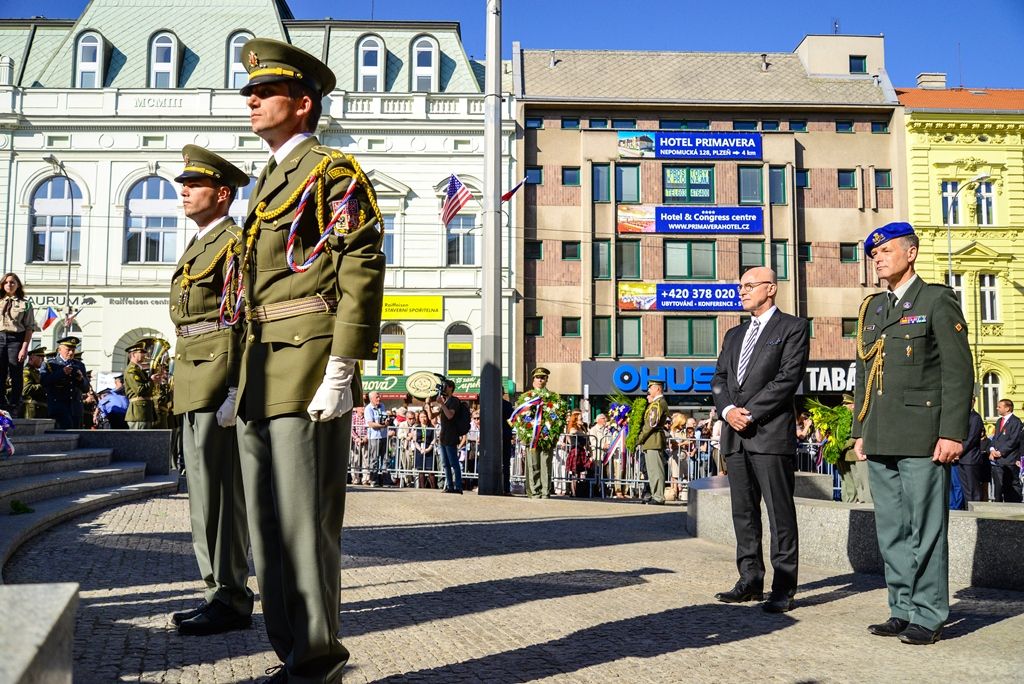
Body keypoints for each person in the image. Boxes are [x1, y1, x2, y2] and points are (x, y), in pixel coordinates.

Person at [234, 37, 385, 682]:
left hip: (306, 364)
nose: (251, 100)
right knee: (267, 534)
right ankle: (291, 653)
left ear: (302, 104)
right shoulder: (266, 180)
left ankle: (318, 658)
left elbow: (361, 266)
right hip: (259, 369)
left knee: (305, 523)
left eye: (263, 92)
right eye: (250, 91)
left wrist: (343, 367)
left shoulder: (332, 171)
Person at [853, 222, 973, 646]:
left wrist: (952, 433)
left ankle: (929, 612)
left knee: (926, 528)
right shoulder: (873, 309)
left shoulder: (936, 300)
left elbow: (959, 373)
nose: (878, 258)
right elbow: (864, 373)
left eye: (886, 250)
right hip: (881, 435)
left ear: (911, 253)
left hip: (924, 437)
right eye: (874, 253)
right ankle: (901, 608)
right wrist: (859, 430)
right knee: (891, 529)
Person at [167, 145, 254, 637]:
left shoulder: (231, 243)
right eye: (184, 184)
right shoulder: (202, 242)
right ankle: (217, 591)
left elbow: (242, 319)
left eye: (194, 185)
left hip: (217, 378)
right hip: (195, 378)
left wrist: (236, 389)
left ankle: (230, 596)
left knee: (220, 496)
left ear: (222, 194)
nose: (184, 191)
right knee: (203, 497)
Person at [712, 266, 809, 614]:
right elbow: (719, 379)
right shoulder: (734, 335)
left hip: (768, 435)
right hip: (734, 437)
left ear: (771, 289)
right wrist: (727, 413)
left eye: (749, 285)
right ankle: (749, 580)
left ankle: (783, 587)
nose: (742, 291)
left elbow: (786, 380)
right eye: (740, 286)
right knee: (743, 513)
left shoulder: (793, 328)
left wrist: (747, 413)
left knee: (780, 514)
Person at [512, 367, 567, 499]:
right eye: (538, 377)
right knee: (533, 464)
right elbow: (520, 418)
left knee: (546, 464)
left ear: (547, 380)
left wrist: (552, 433)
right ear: (533, 380)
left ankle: (545, 491)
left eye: (543, 377)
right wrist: (526, 432)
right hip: (531, 437)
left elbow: (560, 416)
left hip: (547, 436)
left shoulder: (554, 398)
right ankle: (534, 491)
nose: (540, 379)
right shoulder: (526, 397)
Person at [0, 273, 39, 416]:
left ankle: (15, 403)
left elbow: (29, 328)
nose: (9, 285)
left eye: (12, 282)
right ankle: (1, 403)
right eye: (6, 282)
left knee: (16, 372)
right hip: (0, 338)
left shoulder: (26, 304)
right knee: (0, 372)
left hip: (16, 339)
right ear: (2, 285)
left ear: (18, 285)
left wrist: (24, 348)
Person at [424, 378, 463, 494]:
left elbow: (450, 415)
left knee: (454, 463)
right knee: (445, 464)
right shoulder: (445, 402)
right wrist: (428, 405)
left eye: (445, 386)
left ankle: (458, 486)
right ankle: (449, 486)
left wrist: (441, 404)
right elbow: (431, 417)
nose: (443, 389)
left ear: (450, 388)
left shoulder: (454, 401)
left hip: (451, 436)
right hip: (443, 437)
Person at [41, 336, 89, 429]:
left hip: (75, 408)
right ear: (59, 350)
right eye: (68, 349)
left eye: (73, 350)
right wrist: (61, 372)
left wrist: (81, 380)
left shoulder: (79, 365)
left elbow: (86, 388)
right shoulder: (50, 364)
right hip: (58, 407)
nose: (71, 353)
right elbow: (44, 381)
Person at [835, 394, 871, 504]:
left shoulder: (858, 418)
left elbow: (855, 436)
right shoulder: (844, 418)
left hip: (858, 454)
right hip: (847, 455)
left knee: (863, 481)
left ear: (853, 405)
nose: (845, 406)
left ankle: (867, 503)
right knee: (851, 481)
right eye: (844, 404)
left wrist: (842, 445)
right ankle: (851, 502)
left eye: (847, 404)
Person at [638, 380, 669, 504]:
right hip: (651, 440)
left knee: (656, 470)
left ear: (657, 389)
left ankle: (658, 496)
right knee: (651, 471)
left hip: (653, 439)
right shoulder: (656, 403)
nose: (649, 390)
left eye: (650, 388)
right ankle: (655, 494)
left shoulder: (658, 403)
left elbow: (651, 424)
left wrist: (640, 438)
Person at [988, 398, 1022, 503]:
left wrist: (1001, 452)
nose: (997, 408)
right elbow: (995, 437)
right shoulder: (999, 421)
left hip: (1010, 460)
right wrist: (992, 449)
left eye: (999, 406)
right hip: (998, 461)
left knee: (1011, 486)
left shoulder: (1016, 422)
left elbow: (1014, 440)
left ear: (1007, 408)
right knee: (999, 487)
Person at [123, 342, 157, 429]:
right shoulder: (131, 370)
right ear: (133, 354)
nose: (144, 355)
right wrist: (152, 381)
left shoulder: (138, 369)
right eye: (141, 353)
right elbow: (139, 390)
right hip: (139, 412)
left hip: (144, 411)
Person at [958, 400, 986, 503]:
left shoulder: (975, 417)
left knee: (973, 489)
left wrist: (958, 452)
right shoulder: (964, 416)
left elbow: (971, 439)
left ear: (973, 402)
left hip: (970, 458)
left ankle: (976, 513)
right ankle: (969, 512)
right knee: (966, 489)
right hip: (962, 459)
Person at [363, 391, 387, 486]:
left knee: (385, 459)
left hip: (384, 436)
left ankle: (383, 480)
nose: (379, 398)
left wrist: (387, 421)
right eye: (377, 397)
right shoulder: (368, 409)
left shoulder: (382, 406)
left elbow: (384, 418)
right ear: (371, 398)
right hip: (374, 437)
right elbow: (370, 423)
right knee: (374, 459)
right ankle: (373, 480)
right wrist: (382, 425)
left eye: (379, 396)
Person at [412, 409, 438, 489]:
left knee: (431, 471)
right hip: (419, 450)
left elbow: (434, 439)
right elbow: (414, 440)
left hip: (429, 449)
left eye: (425, 417)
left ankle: (433, 488)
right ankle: (422, 488)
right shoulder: (416, 427)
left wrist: (428, 449)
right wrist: (420, 449)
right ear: (419, 418)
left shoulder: (431, 427)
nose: (423, 419)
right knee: (421, 471)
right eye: (421, 417)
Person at [21, 346, 47, 419]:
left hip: (40, 408)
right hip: (30, 408)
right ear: (32, 358)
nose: (42, 360)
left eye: (43, 358)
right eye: (40, 358)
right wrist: (44, 385)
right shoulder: (26, 371)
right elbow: (26, 390)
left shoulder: (36, 372)